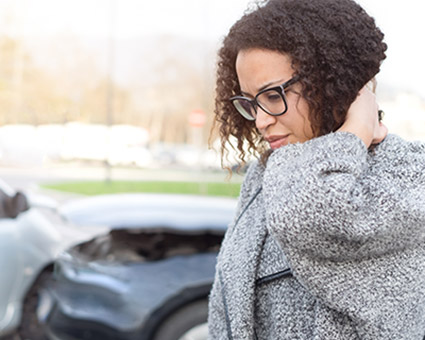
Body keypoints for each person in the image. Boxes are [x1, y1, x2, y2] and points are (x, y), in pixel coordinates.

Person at [207, 0, 425, 339]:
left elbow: (314, 215)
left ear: (333, 81)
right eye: (251, 102)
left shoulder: (406, 173)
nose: (262, 120)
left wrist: (355, 131)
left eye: (274, 95)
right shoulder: (268, 174)